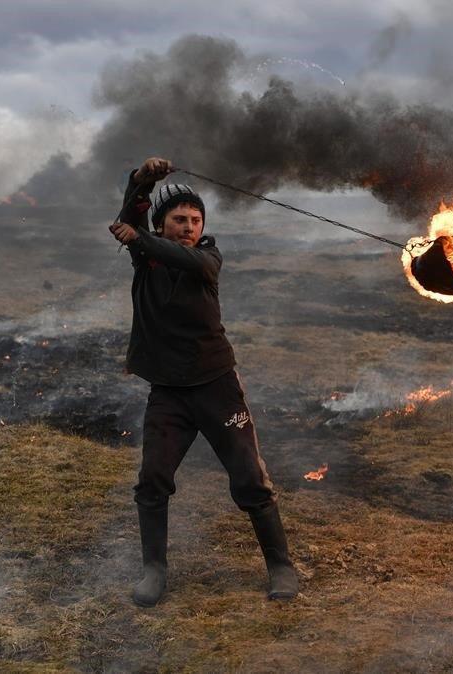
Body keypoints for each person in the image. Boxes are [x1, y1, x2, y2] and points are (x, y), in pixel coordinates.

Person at [109, 156, 299, 607]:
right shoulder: (146, 257)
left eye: (195, 220)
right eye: (179, 219)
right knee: (152, 480)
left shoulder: (207, 258)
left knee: (250, 481)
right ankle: (153, 571)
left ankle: (281, 566)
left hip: (217, 387)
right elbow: (132, 219)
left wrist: (141, 236)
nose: (189, 226)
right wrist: (141, 180)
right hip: (169, 393)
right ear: (162, 223)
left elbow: (159, 245)